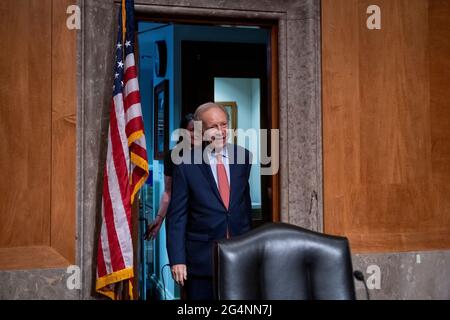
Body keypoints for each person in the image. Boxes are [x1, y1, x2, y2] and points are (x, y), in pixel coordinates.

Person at [166, 102, 253, 300]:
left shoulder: (243, 157)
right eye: (214, 126)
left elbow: (243, 206)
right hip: (202, 260)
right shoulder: (186, 164)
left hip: (239, 256)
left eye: (224, 124)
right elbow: (177, 217)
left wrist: (250, 246)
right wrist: (177, 260)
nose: (221, 131)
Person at [144, 113, 195, 240]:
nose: (196, 134)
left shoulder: (208, 157)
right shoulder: (173, 156)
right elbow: (168, 192)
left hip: (201, 219)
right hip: (178, 218)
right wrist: (159, 218)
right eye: (192, 130)